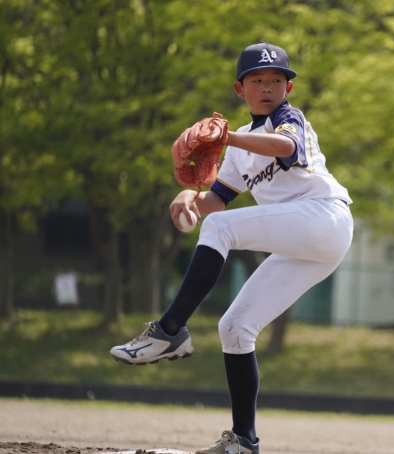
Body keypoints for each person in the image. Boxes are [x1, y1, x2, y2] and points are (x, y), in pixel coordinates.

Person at [110, 42, 353, 454]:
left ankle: (169, 331)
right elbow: (217, 200)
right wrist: (188, 198)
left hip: (324, 219)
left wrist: (227, 137)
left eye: (276, 80)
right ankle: (243, 442)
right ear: (240, 89)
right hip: (301, 242)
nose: (267, 87)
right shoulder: (238, 148)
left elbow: (285, 147)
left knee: (221, 229)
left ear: (288, 89)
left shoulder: (287, 119)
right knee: (235, 328)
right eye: (256, 80)